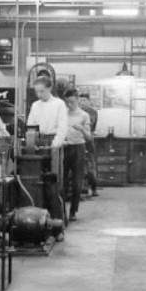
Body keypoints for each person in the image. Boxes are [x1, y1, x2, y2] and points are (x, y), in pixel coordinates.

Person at [63, 89, 92, 222]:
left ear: (77, 100)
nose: (69, 105)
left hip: (78, 149)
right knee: (62, 182)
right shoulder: (62, 113)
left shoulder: (84, 115)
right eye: (67, 102)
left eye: (72, 102)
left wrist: (81, 129)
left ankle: (73, 211)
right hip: (64, 148)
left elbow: (89, 137)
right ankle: (61, 210)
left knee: (77, 182)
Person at [25, 76, 68, 150]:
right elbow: (30, 126)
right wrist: (31, 142)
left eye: (42, 91)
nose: (39, 95)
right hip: (38, 141)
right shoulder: (35, 105)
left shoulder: (59, 104)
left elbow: (62, 127)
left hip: (54, 140)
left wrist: (56, 144)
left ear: (49, 88)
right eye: (37, 92)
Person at [79, 92, 99, 197]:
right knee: (80, 164)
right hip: (78, 139)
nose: (82, 103)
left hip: (89, 141)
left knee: (91, 164)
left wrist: (90, 135)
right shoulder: (76, 112)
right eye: (80, 101)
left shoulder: (94, 112)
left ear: (89, 102)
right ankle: (82, 188)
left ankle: (94, 187)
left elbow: (93, 127)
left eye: (84, 101)